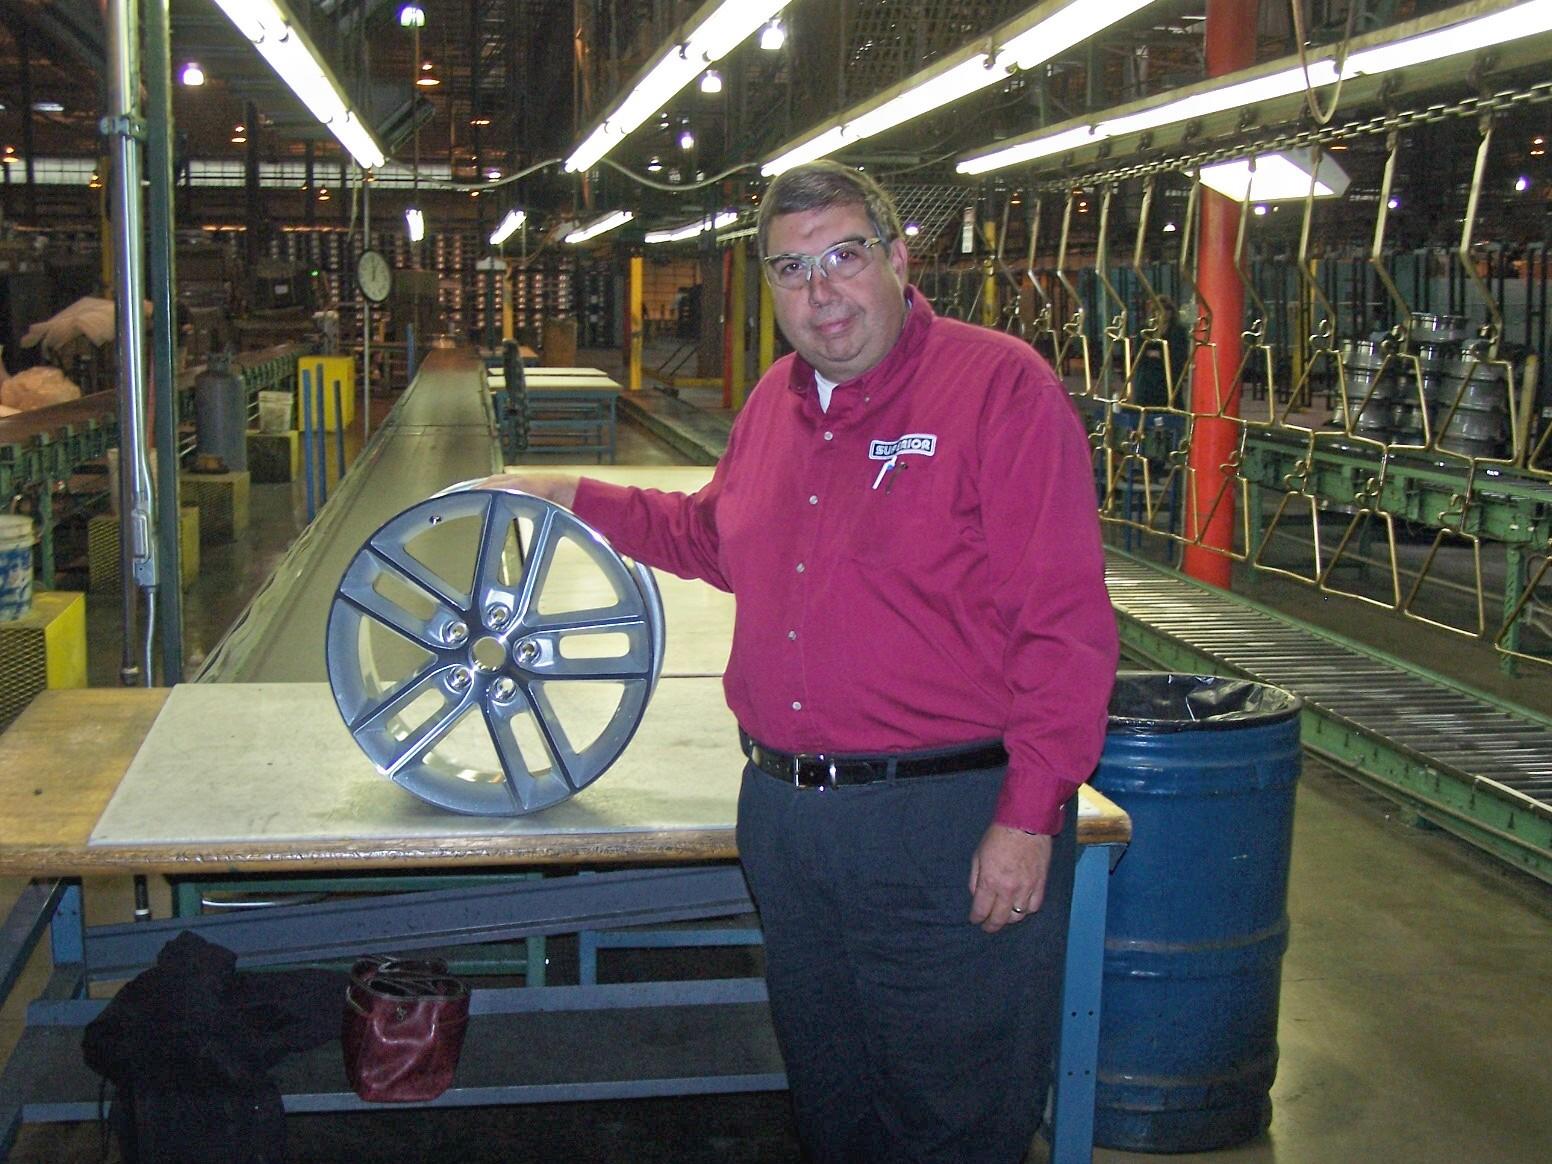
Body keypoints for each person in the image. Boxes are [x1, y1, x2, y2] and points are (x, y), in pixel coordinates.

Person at [490, 161, 1117, 1163]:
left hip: (943, 827)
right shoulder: (775, 403)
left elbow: (1065, 622)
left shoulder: (998, 386)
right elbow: (716, 537)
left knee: (951, 1111)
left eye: (842, 257)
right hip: (787, 825)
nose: (820, 294)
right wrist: (574, 494)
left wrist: (1028, 814)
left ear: (896, 258)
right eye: (791, 269)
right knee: (833, 1100)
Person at [1130, 294, 1191, 408]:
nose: (1163, 314)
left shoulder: (1178, 331)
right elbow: (1139, 353)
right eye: (1158, 310)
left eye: (1166, 310)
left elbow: (1179, 354)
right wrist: (1160, 353)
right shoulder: (1144, 330)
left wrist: (1159, 353)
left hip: (1169, 379)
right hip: (1147, 380)